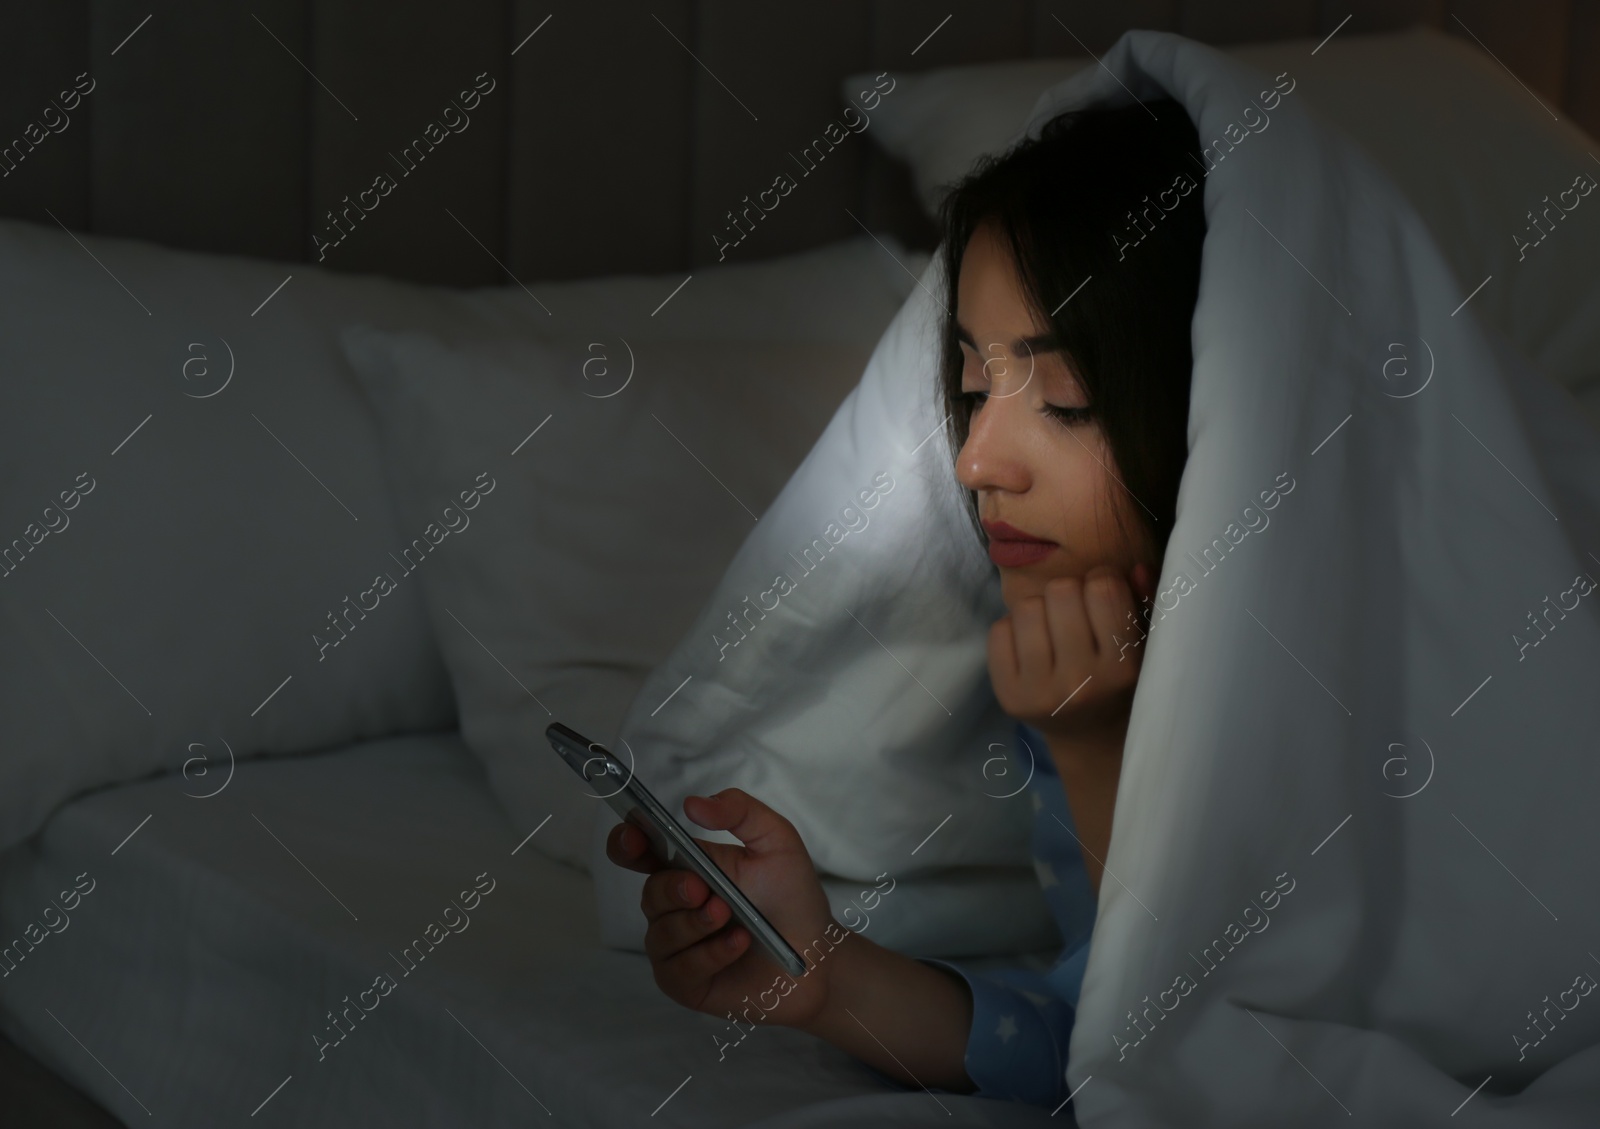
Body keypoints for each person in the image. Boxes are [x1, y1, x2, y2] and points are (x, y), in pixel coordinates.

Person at [604, 95, 1207, 1112]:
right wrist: (824, 973)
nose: (976, 460)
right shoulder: (1074, 669)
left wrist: (1099, 749)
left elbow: (1211, 1064)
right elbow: (1093, 1033)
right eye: (972, 389)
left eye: (1062, 400)